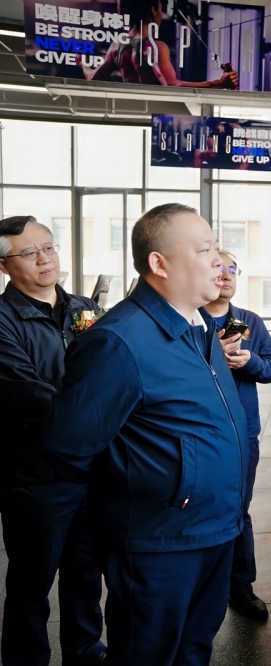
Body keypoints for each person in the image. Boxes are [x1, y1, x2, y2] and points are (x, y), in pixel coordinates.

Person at [39, 203, 248, 666]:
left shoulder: (201, 329)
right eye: (205, 250)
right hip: (160, 542)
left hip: (215, 529)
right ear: (160, 263)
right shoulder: (119, 340)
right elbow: (67, 446)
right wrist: (147, 490)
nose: (220, 260)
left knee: (195, 650)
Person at [0, 216, 106, 665]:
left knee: (86, 576)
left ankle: (86, 652)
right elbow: (26, 392)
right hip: (35, 476)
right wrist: (97, 412)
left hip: (92, 469)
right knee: (31, 584)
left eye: (49, 246)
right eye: (29, 252)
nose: (44, 258)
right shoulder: (4, 319)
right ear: (4, 265)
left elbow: (111, 367)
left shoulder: (84, 307)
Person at [205, 251, 271, 622]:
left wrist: (250, 362)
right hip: (201, 434)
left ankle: (241, 587)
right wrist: (212, 358)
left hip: (242, 434)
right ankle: (202, 589)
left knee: (239, 508)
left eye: (231, 269)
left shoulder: (250, 321)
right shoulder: (190, 320)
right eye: (218, 268)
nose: (225, 275)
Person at [84, 0, 239, 89]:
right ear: (153, 11)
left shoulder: (116, 47)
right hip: (155, 114)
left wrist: (83, 64)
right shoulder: (154, 47)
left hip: (131, 111)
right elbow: (172, 85)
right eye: (160, 9)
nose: (160, 15)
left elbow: (92, 79)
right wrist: (218, 83)